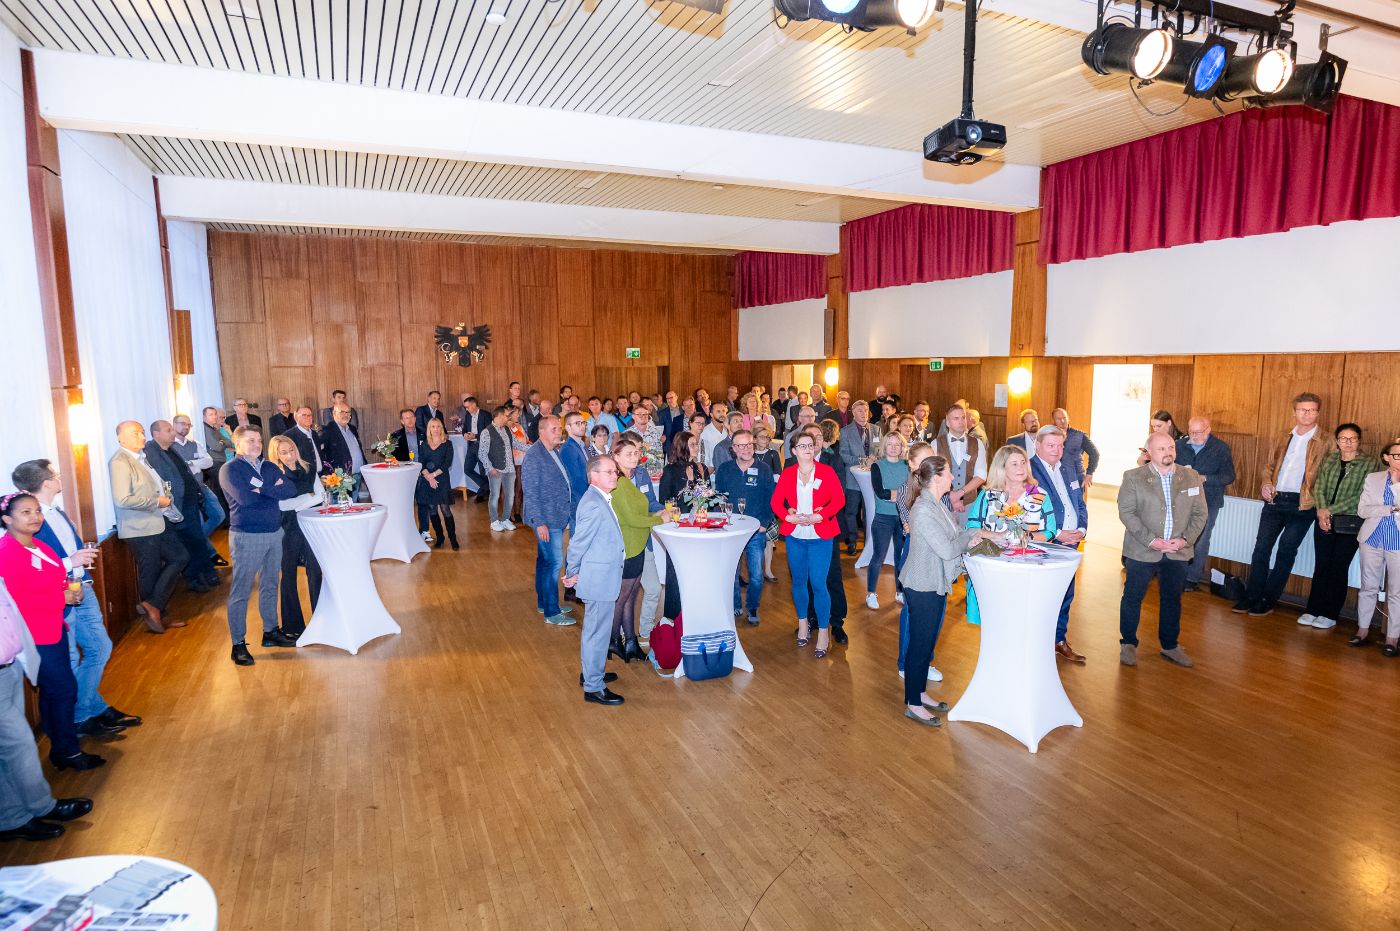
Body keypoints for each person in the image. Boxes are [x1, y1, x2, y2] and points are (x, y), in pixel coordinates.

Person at [11, 460, 139, 737]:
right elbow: (36, 567)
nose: (59, 477)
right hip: (58, 596)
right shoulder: (32, 524)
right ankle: (83, 715)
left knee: (99, 647)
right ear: (46, 483)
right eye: (55, 474)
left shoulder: (55, 510)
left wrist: (81, 569)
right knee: (72, 658)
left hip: (81, 586)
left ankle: (91, 707)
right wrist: (72, 561)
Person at [0, 493, 103, 771]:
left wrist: (70, 589)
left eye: (37, 511)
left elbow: (55, 576)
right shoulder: (7, 552)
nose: (35, 517)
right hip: (32, 636)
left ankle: (60, 748)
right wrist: (62, 598)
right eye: (25, 512)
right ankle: (68, 751)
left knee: (55, 691)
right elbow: (15, 600)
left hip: (53, 627)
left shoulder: (39, 546)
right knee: (63, 689)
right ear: (7, 519)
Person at [900, 457, 998, 725]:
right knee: (920, 645)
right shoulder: (923, 510)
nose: (953, 479)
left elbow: (956, 534)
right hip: (922, 584)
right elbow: (947, 548)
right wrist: (971, 540)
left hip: (934, 581)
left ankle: (920, 692)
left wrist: (977, 534)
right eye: (948, 474)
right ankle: (913, 703)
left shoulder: (937, 504)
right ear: (936, 478)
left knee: (928, 643)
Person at [0, 577, 94, 841]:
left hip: (9, 668)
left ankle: (11, 818)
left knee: (6, 751)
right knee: (20, 744)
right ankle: (42, 806)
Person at [1117, 432, 1208, 668]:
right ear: (1149, 453)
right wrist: (1152, 541)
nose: (1168, 452)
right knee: (1133, 597)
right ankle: (1128, 643)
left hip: (1177, 551)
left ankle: (1170, 645)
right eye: (1161, 449)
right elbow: (1127, 513)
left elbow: (1200, 514)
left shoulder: (1191, 477)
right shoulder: (1133, 477)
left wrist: (1185, 540)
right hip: (1142, 550)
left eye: (1170, 447)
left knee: (1172, 599)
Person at [1237, 392, 1327, 617]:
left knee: (1286, 551)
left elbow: (1327, 475)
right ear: (1294, 412)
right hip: (1275, 500)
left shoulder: (1326, 441)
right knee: (1261, 549)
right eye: (1302, 409)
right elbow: (1269, 466)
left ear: (1318, 413)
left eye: (1312, 410)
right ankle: (1252, 596)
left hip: (1303, 504)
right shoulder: (1283, 436)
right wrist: (1266, 483)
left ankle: (1268, 599)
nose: (1307, 414)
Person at [220, 426, 299, 666]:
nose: (257, 444)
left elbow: (290, 490)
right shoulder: (230, 469)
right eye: (250, 440)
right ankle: (238, 644)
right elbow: (245, 499)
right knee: (241, 592)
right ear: (237, 445)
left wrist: (261, 488)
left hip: (275, 533)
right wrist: (272, 489)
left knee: (271, 584)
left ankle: (270, 632)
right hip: (247, 536)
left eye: (259, 440)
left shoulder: (269, 466)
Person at [771, 430, 846, 659]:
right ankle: (803, 623)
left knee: (819, 584)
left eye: (810, 445)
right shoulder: (788, 473)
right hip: (795, 535)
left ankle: (823, 631)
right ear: (794, 450)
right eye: (802, 446)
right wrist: (788, 516)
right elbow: (776, 502)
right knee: (798, 582)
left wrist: (820, 515)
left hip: (820, 536)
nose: (807, 449)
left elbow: (839, 500)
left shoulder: (826, 471)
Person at [109, 420, 189, 633]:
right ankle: (155, 612)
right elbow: (122, 499)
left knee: (180, 557)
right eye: (135, 433)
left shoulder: (141, 458)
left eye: (142, 432)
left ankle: (154, 606)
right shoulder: (120, 461)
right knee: (151, 571)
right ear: (120, 438)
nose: (142, 437)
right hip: (140, 527)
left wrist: (164, 498)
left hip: (157, 521)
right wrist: (156, 502)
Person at [964, 445, 1056, 627]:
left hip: (1027, 571)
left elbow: (1050, 532)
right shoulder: (987, 495)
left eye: (1023, 462)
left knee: (1021, 621)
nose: (1021, 467)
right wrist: (997, 535)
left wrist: (1026, 537)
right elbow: (971, 527)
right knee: (993, 622)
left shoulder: (1039, 495)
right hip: (993, 570)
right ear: (1002, 468)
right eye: (1014, 464)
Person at [1298, 424, 1377, 630]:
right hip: (1323, 518)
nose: (1347, 442)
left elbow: (1362, 495)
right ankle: (1313, 609)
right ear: (1337, 441)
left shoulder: (1369, 463)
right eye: (1343, 438)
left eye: (1352, 438)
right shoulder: (1330, 459)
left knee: (1338, 567)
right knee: (1321, 565)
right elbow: (1319, 486)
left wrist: (1330, 510)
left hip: (1349, 522)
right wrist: (1321, 510)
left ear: (1359, 441)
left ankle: (1330, 613)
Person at [564, 457, 628, 706]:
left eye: (615, 471)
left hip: (602, 575)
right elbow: (578, 542)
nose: (615, 475)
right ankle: (593, 686)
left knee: (597, 631)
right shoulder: (593, 503)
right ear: (594, 476)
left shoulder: (599, 498)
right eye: (609, 471)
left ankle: (592, 672)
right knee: (596, 634)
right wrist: (571, 572)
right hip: (599, 579)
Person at [1030, 426, 1089, 662]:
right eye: (1050, 445)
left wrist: (1081, 529)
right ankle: (1037, 644)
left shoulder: (1068, 467)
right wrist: (1057, 533)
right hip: (1046, 545)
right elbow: (1028, 511)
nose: (1057, 450)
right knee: (1043, 597)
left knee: (1066, 594)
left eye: (1060, 445)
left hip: (1071, 544)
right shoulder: (1028, 471)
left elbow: (1080, 503)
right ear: (1038, 445)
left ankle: (1058, 639)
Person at [609, 438, 670, 663]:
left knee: (631, 597)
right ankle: (612, 641)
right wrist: (659, 520)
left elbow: (644, 508)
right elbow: (632, 519)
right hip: (628, 546)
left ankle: (631, 642)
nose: (634, 457)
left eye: (636, 453)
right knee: (622, 598)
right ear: (616, 457)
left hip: (639, 543)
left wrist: (658, 513)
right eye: (628, 454)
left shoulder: (632, 477)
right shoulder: (618, 482)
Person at [146, 419, 214, 594]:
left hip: (190, 502)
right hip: (177, 505)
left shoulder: (171, 449)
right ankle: (194, 578)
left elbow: (185, 473)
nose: (172, 433)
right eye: (168, 430)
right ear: (156, 434)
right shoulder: (151, 452)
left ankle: (206, 572)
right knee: (189, 542)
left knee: (197, 540)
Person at [715, 430, 775, 625]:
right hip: (731, 530)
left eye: (749, 444)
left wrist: (764, 524)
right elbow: (718, 498)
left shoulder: (764, 469)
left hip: (756, 531)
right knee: (732, 573)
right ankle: (735, 605)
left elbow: (771, 499)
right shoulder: (724, 469)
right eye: (740, 445)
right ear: (733, 448)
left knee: (756, 575)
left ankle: (752, 608)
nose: (746, 449)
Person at [522, 416, 578, 626]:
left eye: (559, 428)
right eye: (554, 429)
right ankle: (552, 612)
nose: (558, 432)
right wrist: (539, 522)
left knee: (545, 562)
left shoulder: (553, 451)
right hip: (547, 519)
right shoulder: (534, 456)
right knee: (553, 564)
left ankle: (544, 603)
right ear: (542, 431)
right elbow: (530, 492)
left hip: (555, 515)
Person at [268, 435, 325, 637]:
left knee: (315, 571)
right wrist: (308, 498)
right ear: (276, 455)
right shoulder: (274, 474)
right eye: (284, 452)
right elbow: (282, 505)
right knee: (288, 575)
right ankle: (293, 626)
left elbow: (321, 495)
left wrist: (298, 504)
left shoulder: (308, 468)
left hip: (310, 526)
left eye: (291, 450)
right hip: (288, 528)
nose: (290, 455)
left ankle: (321, 619)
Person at [1174, 417, 1235, 592]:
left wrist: (1205, 478)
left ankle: (1192, 578)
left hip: (1209, 501)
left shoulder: (1220, 448)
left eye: (1198, 432)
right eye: (1191, 432)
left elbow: (1229, 476)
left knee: (1200, 540)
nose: (1194, 436)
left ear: (1208, 430)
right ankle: (1176, 573)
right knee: (1178, 536)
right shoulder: (1179, 445)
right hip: (1182, 499)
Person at [1352, 440, 1400, 655]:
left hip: (1397, 542)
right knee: (1368, 586)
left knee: (1397, 592)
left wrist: (1397, 485)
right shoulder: (1373, 478)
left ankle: (1392, 638)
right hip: (1372, 539)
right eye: (1397, 455)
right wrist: (1391, 508)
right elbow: (1363, 510)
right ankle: (1362, 630)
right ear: (1386, 457)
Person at [894, 442, 936, 681]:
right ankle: (905, 662)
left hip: (936, 552)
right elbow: (911, 524)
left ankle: (925, 661)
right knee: (912, 611)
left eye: (933, 458)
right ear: (911, 464)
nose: (930, 463)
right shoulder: (905, 489)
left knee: (935, 613)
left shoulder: (939, 485)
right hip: (915, 551)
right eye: (924, 459)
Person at [807, 422, 850, 641]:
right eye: (810, 437)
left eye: (818, 436)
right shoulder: (792, 463)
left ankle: (837, 622)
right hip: (802, 528)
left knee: (832, 575)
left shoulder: (833, 461)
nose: (815, 441)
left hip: (827, 525)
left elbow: (839, 492)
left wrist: (818, 511)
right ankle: (811, 617)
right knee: (807, 576)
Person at [172, 413, 228, 565]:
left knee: (219, 515)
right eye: (182, 423)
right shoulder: (170, 446)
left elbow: (208, 461)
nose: (186, 427)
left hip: (201, 486)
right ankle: (211, 554)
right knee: (199, 523)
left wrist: (191, 463)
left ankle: (195, 543)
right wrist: (196, 463)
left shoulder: (194, 443)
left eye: (188, 424)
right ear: (174, 425)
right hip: (186, 491)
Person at [866, 431, 910, 611]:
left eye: (897, 444)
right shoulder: (877, 466)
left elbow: (912, 491)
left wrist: (895, 494)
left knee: (901, 556)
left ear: (902, 447)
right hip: (883, 518)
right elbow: (881, 492)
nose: (893, 448)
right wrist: (901, 494)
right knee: (878, 556)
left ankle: (899, 591)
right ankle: (871, 593)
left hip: (903, 518)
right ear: (884, 446)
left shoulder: (907, 466)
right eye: (890, 444)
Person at [838, 400, 879, 556]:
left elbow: (881, 451)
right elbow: (843, 455)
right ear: (853, 414)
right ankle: (852, 541)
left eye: (866, 410)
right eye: (860, 411)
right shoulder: (845, 431)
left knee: (870, 511)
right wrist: (862, 460)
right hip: (853, 479)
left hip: (872, 479)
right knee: (852, 511)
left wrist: (875, 458)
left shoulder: (876, 430)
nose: (864, 413)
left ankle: (870, 542)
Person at [935, 404, 987, 515]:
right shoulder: (936, 443)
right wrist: (949, 496)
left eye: (963, 418)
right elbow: (932, 476)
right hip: (942, 503)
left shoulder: (977, 443)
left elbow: (982, 475)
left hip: (969, 503)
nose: (961, 421)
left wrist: (959, 493)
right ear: (947, 423)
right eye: (956, 418)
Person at [415, 420, 457, 550]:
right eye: (433, 426)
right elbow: (421, 462)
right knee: (432, 509)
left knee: (445, 509)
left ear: (441, 428)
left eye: (438, 426)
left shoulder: (447, 444)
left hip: (442, 479)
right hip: (428, 480)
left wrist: (433, 475)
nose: (436, 429)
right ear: (429, 429)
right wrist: (428, 477)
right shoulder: (424, 444)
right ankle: (440, 537)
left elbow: (447, 463)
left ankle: (453, 539)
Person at [479, 405, 517, 532]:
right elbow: (482, 453)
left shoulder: (507, 429)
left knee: (510, 495)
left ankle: (505, 519)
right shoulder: (486, 432)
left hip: (510, 469)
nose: (508, 418)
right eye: (507, 416)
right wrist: (490, 468)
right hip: (496, 470)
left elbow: (517, 444)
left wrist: (534, 448)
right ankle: (494, 521)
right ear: (500, 416)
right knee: (495, 495)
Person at [1051, 408, 1099, 491]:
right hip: (1055, 478)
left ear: (1068, 418)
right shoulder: (1048, 436)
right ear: (1053, 420)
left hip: (1075, 479)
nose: (1062, 421)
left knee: (1076, 499)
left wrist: (1089, 473)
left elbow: (1095, 453)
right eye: (1058, 419)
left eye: (1064, 418)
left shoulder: (1080, 435)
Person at [320, 404, 367, 490]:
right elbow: (320, 454)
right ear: (334, 413)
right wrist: (327, 474)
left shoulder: (352, 429)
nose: (345, 415)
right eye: (342, 412)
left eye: (348, 412)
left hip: (357, 476)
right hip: (340, 480)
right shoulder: (327, 430)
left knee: (354, 499)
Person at [660, 431, 709, 503]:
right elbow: (663, 499)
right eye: (692, 445)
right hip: (677, 509)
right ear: (682, 447)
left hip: (700, 509)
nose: (697, 447)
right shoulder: (670, 470)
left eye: (696, 444)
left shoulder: (702, 468)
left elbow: (708, 495)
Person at [460, 396, 491, 504]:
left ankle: (482, 493)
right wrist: (464, 434)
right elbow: (464, 427)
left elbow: (489, 432)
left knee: (483, 472)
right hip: (472, 446)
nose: (466, 409)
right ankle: (488, 487)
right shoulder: (468, 415)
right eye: (465, 407)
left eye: (467, 407)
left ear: (474, 405)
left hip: (482, 446)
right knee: (467, 469)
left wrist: (475, 436)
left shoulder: (486, 415)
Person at [700, 402, 730, 468]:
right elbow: (703, 455)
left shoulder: (728, 429)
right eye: (718, 411)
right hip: (713, 469)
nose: (722, 414)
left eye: (723, 411)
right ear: (711, 414)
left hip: (729, 467)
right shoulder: (705, 432)